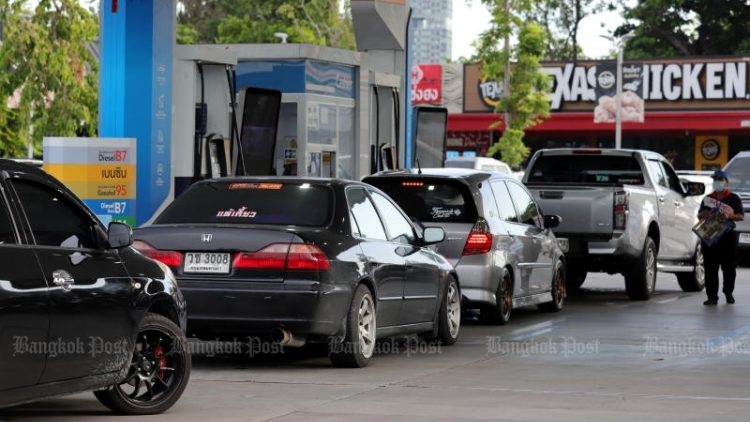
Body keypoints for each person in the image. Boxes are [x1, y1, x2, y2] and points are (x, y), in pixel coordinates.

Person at [697, 170, 745, 305]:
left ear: (726, 182)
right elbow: (699, 216)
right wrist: (703, 214)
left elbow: (741, 216)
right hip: (710, 236)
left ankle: (728, 292)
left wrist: (729, 216)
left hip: (728, 236)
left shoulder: (734, 198)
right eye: (715, 180)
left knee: (729, 267)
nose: (717, 182)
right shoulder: (707, 199)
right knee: (710, 267)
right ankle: (712, 296)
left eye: (720, 179)